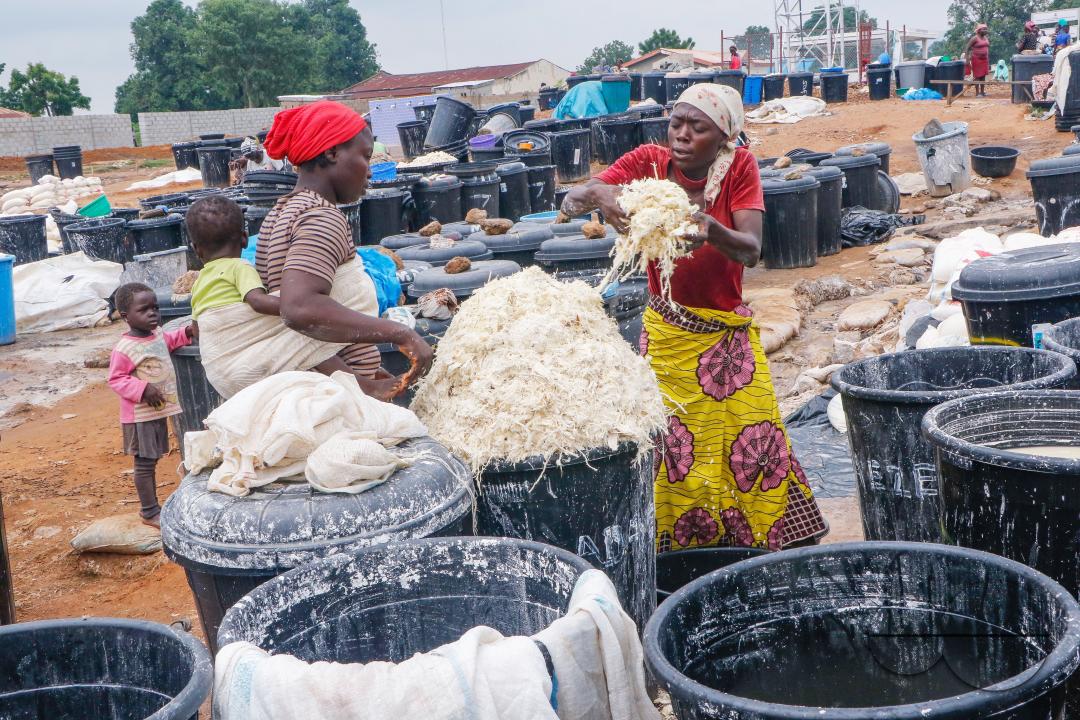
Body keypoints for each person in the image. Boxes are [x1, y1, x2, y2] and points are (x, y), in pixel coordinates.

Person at [561, 84, 827, 552]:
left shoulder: (739, 168)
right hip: (667, 332)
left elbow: (751, 248)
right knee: (673, 448)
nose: (681, 136)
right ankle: (682, 547)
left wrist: (711, 230)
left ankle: (761, 540)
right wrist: (601, 194)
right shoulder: (648, 164)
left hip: (726, 337)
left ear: (723, 135)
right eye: (676, 124)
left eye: (696, 127)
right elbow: (571, 199)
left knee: (753, 437)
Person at [258, 100, 433, 401]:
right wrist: (399, 333)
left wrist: (368, 379)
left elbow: (295, 326)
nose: (370, 172)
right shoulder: (320, 217)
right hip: (331, 403)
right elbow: (299, 310)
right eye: (366, 156)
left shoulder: (281, 212)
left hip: (316, 390)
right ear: (332, 152)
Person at [186, 195, 369, 398]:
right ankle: (361, 385)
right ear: (245, 238)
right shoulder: (240, 267)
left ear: (195, 249)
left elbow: (198, 329)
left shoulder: (199, 281)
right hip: (247, 367)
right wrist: (302, 305)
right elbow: (257, 301)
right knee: (309, 340)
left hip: (219, 374)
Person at [107, 283, 195, 528]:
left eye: (155, 307)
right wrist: (143, 389)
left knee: (153, 458)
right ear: (126, 317)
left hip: (157, 411)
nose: (153, 313)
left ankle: (152, 508)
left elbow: (170, 341)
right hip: (139, 415)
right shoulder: (124, 348)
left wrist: (188, 331)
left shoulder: (156, 335)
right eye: (144, 310)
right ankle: (149, 511)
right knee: (144, 463)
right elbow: (116, 379)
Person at [965, 24, 991, 97]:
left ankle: (982, 92)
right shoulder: (975, 38)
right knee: (977, 76)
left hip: (984, 60)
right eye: (984, 29)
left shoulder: (985, 38)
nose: (986, 30)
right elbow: (967, 48)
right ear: (979, 31)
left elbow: (987, 47)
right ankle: (977, 93)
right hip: (976, 59)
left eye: (986, 29)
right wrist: (967, 58)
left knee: (983, 76)